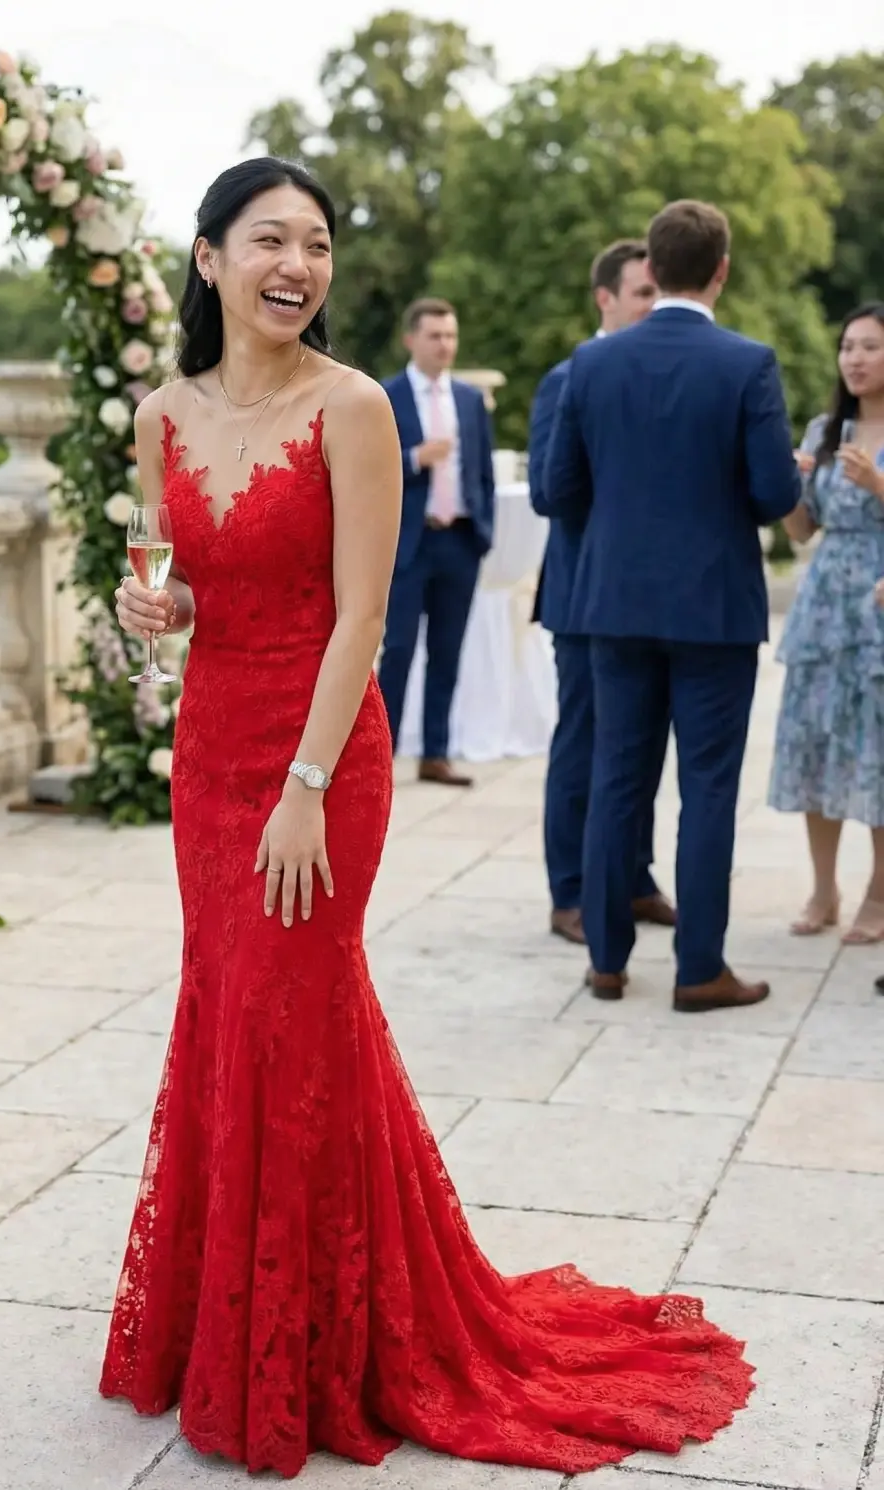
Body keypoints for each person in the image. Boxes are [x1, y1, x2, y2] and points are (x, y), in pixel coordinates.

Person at [101, 159, 754, 1478]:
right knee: (232, 1012)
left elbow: (363, 617)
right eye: (271, 239)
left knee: (298, 1002)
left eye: (320, 244)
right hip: (210, 749)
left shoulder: (350, 408)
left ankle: (325, 1342)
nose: (300, 264)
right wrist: (156, 618)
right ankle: (241, 1317)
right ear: (209, 256)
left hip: (319, 760)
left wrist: (300, 786)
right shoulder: (158, 415)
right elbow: (182, 595)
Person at [544, 199, 800, 1012]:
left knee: (617, 778)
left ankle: (608, 963)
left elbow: (556, 491)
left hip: (611, 604)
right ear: (721, 270)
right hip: (713, 606)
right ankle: (699, 970)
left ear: (650, 269)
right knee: (709, 789)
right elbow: (773, 496)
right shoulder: (748, 363)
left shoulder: (592, 364)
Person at [529, 239, 675, 945]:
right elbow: (546, 493)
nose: (653, 305)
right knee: (586, 744)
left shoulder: (658, 377)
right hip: (586, 598)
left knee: (644, 747)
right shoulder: (568, 379)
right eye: (642, 293)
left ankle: (633, 877)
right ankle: (571, 893)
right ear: (606, 299)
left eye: (659, 293)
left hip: (651, 599)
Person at [771, 303, 884, 942]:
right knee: (815, 748)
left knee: (875, 752)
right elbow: (802, 529)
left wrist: (878, 485)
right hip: (824, 604)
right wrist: (790, 485)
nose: (856, 359)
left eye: (869, 347)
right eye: (848, 348)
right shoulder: (825, 428)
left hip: (878, 602)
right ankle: (823, 889)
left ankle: (879, 892)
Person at [376, 299, 495, 786]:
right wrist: (413, 458)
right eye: (434, 336)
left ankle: (436, 753)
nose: (444, 344)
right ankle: (379, 756)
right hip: (408, 543)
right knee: (398, 649)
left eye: (450, 335)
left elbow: (482, 470)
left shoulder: (468, 399)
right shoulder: (386, 397)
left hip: (460, 542)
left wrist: (483, 532)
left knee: (448, 651)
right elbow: (368, 469)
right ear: (411, 340)